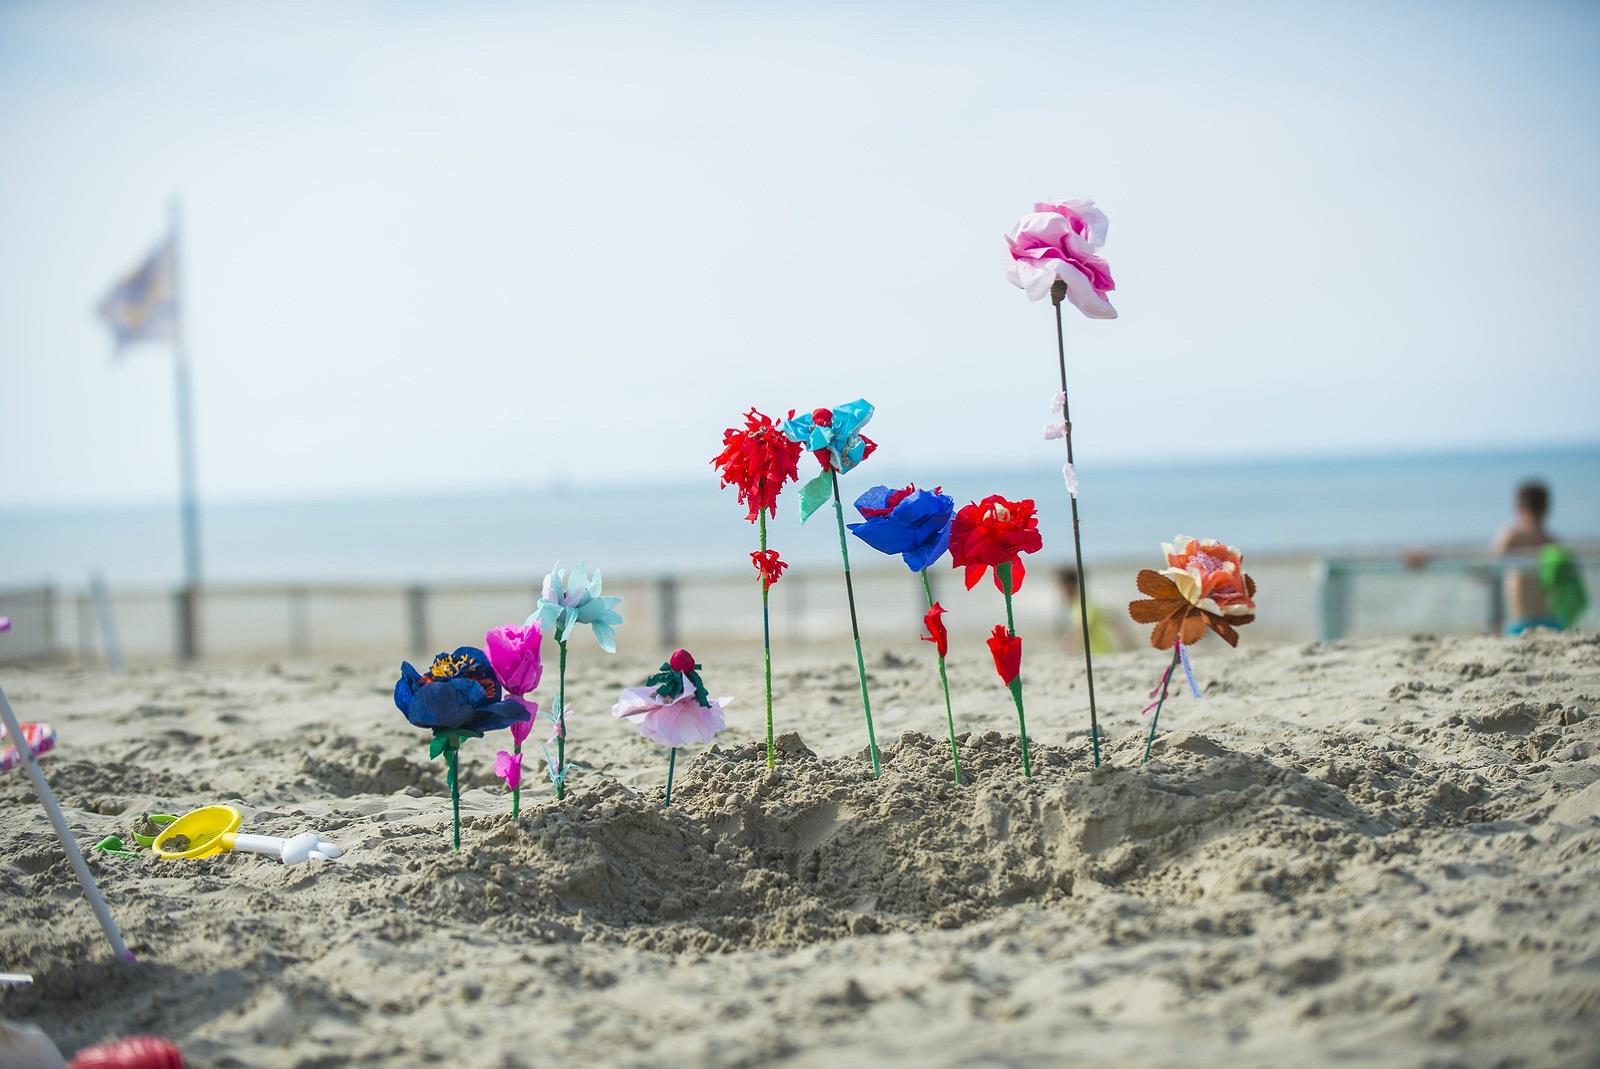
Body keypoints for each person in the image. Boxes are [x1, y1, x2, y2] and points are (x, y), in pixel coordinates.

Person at [1492, 480, 1586, 634]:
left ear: (1518, 508)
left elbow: (1492, 564)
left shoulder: (1513, 536)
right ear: (1547, 508)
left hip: (1522, 619)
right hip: (1550, 618)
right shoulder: (1554, 542)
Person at [1057, 566, 1127, 653]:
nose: (1060, 591)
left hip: (1099, 652)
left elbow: (1084, 628)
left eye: (1061, 586)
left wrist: (1069, 647)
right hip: (1098, 652)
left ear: (1069, 585)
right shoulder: (1079, 604)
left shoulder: (1083, 605)